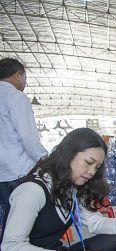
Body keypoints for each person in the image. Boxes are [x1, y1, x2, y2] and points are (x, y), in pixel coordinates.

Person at [0, 58, 48, 223]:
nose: (25, 82)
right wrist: (43, 159)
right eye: (25, 78)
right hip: (18, 171)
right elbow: (27, 136)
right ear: (18, 75)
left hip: (2, 175)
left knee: (7, 217)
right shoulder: (16, 97)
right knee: (24, 218)